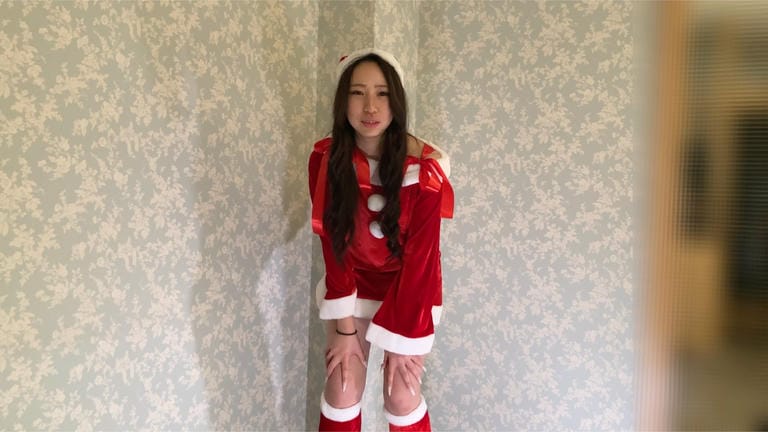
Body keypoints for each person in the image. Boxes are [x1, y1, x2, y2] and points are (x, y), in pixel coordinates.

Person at [308, 48, 454, 432]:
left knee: (401, 393)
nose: (370, 106)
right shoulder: (325, 159)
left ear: (397, 101)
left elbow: (423, 258)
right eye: (357, 93)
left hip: (410, 289)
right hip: (353, 282)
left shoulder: (426, 170)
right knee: (342, 385)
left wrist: (405, 340)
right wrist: (344, 330)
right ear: (343, 101)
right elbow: (334, 247)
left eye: (382, 93)